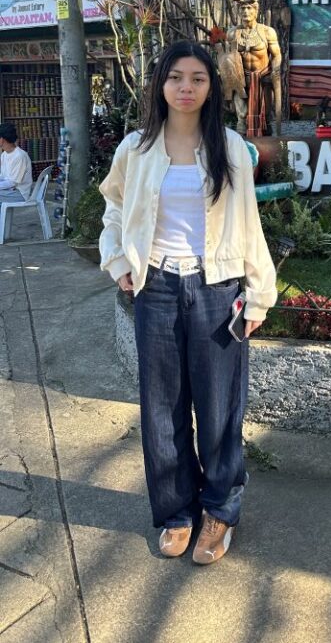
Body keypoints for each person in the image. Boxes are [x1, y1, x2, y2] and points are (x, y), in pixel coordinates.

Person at [99, 40, 277, 564]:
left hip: (216, 289)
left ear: (210, 88)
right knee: (161, 409)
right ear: (160, 84)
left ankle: (219, 509)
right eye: (175, 77)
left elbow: (249, 224)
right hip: (155, 288)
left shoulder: (230, 148)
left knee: (219, 408)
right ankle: (176, 512)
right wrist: (118, 260)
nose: (185, 88)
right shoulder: (135, 149)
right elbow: (113, 210)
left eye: (197, 78)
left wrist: (259, 294)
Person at [222, 0, 282, 138]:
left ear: (256, 11)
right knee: (241, 117)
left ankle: (267, 146)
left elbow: (277, 55)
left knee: (265, 116)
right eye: (242, 8)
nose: (245, 12)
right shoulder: (232, 33)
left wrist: (275, 68)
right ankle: (241, 145)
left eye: (249, 8)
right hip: (241, 80)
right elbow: (228, 57)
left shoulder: (267, 32)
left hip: (263, 79)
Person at [0, 122, 33, 203]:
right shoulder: (4, 155)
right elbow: (4, 177)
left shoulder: (20, 156)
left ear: (2, 140)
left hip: (20, 193)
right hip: (9, 190)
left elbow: (13, 183)